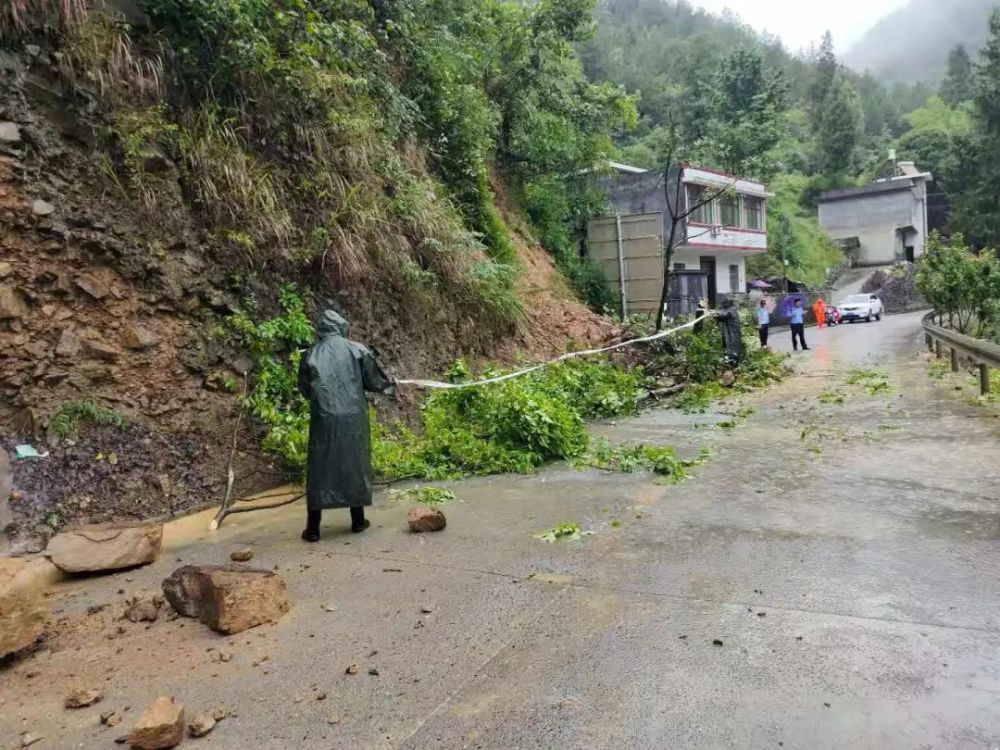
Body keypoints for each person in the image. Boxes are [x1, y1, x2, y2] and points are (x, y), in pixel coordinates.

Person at [298, 310, 396, 542]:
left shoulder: (311, 354)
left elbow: (304, 390)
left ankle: (313, 529)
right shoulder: (357, 349)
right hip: (353, 420)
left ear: (321, 328)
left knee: (320, 467)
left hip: (324, 421)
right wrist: (390, 385)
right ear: (342, 327)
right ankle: (358, 521)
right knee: (354, 465)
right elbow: (375, 380)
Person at [715, 296, 744, 365]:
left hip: (733, 331)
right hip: (730, 330)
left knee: (733, 344)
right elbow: (721, 317)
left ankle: (733, 360)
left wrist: (716, 314)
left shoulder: (732, 309)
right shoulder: (729, 309)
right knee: (729, 344)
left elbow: (724, 316)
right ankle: (731, 360)